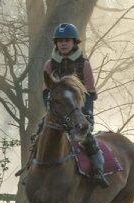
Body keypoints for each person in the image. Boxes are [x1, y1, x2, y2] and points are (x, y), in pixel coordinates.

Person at [42, 23, 108, 187]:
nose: (63, 43)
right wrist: (50, 111)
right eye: (60, 41)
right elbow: (45, 93)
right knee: (38, 138)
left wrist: (86, 115)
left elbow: (90, 93)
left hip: (78, 112)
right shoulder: (49, 65)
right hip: (56, 112)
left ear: (74, 43)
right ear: (56, 43)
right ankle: (30, 168)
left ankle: (99, 171)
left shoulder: (84, 64)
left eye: (67, 40)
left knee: (89, 140)